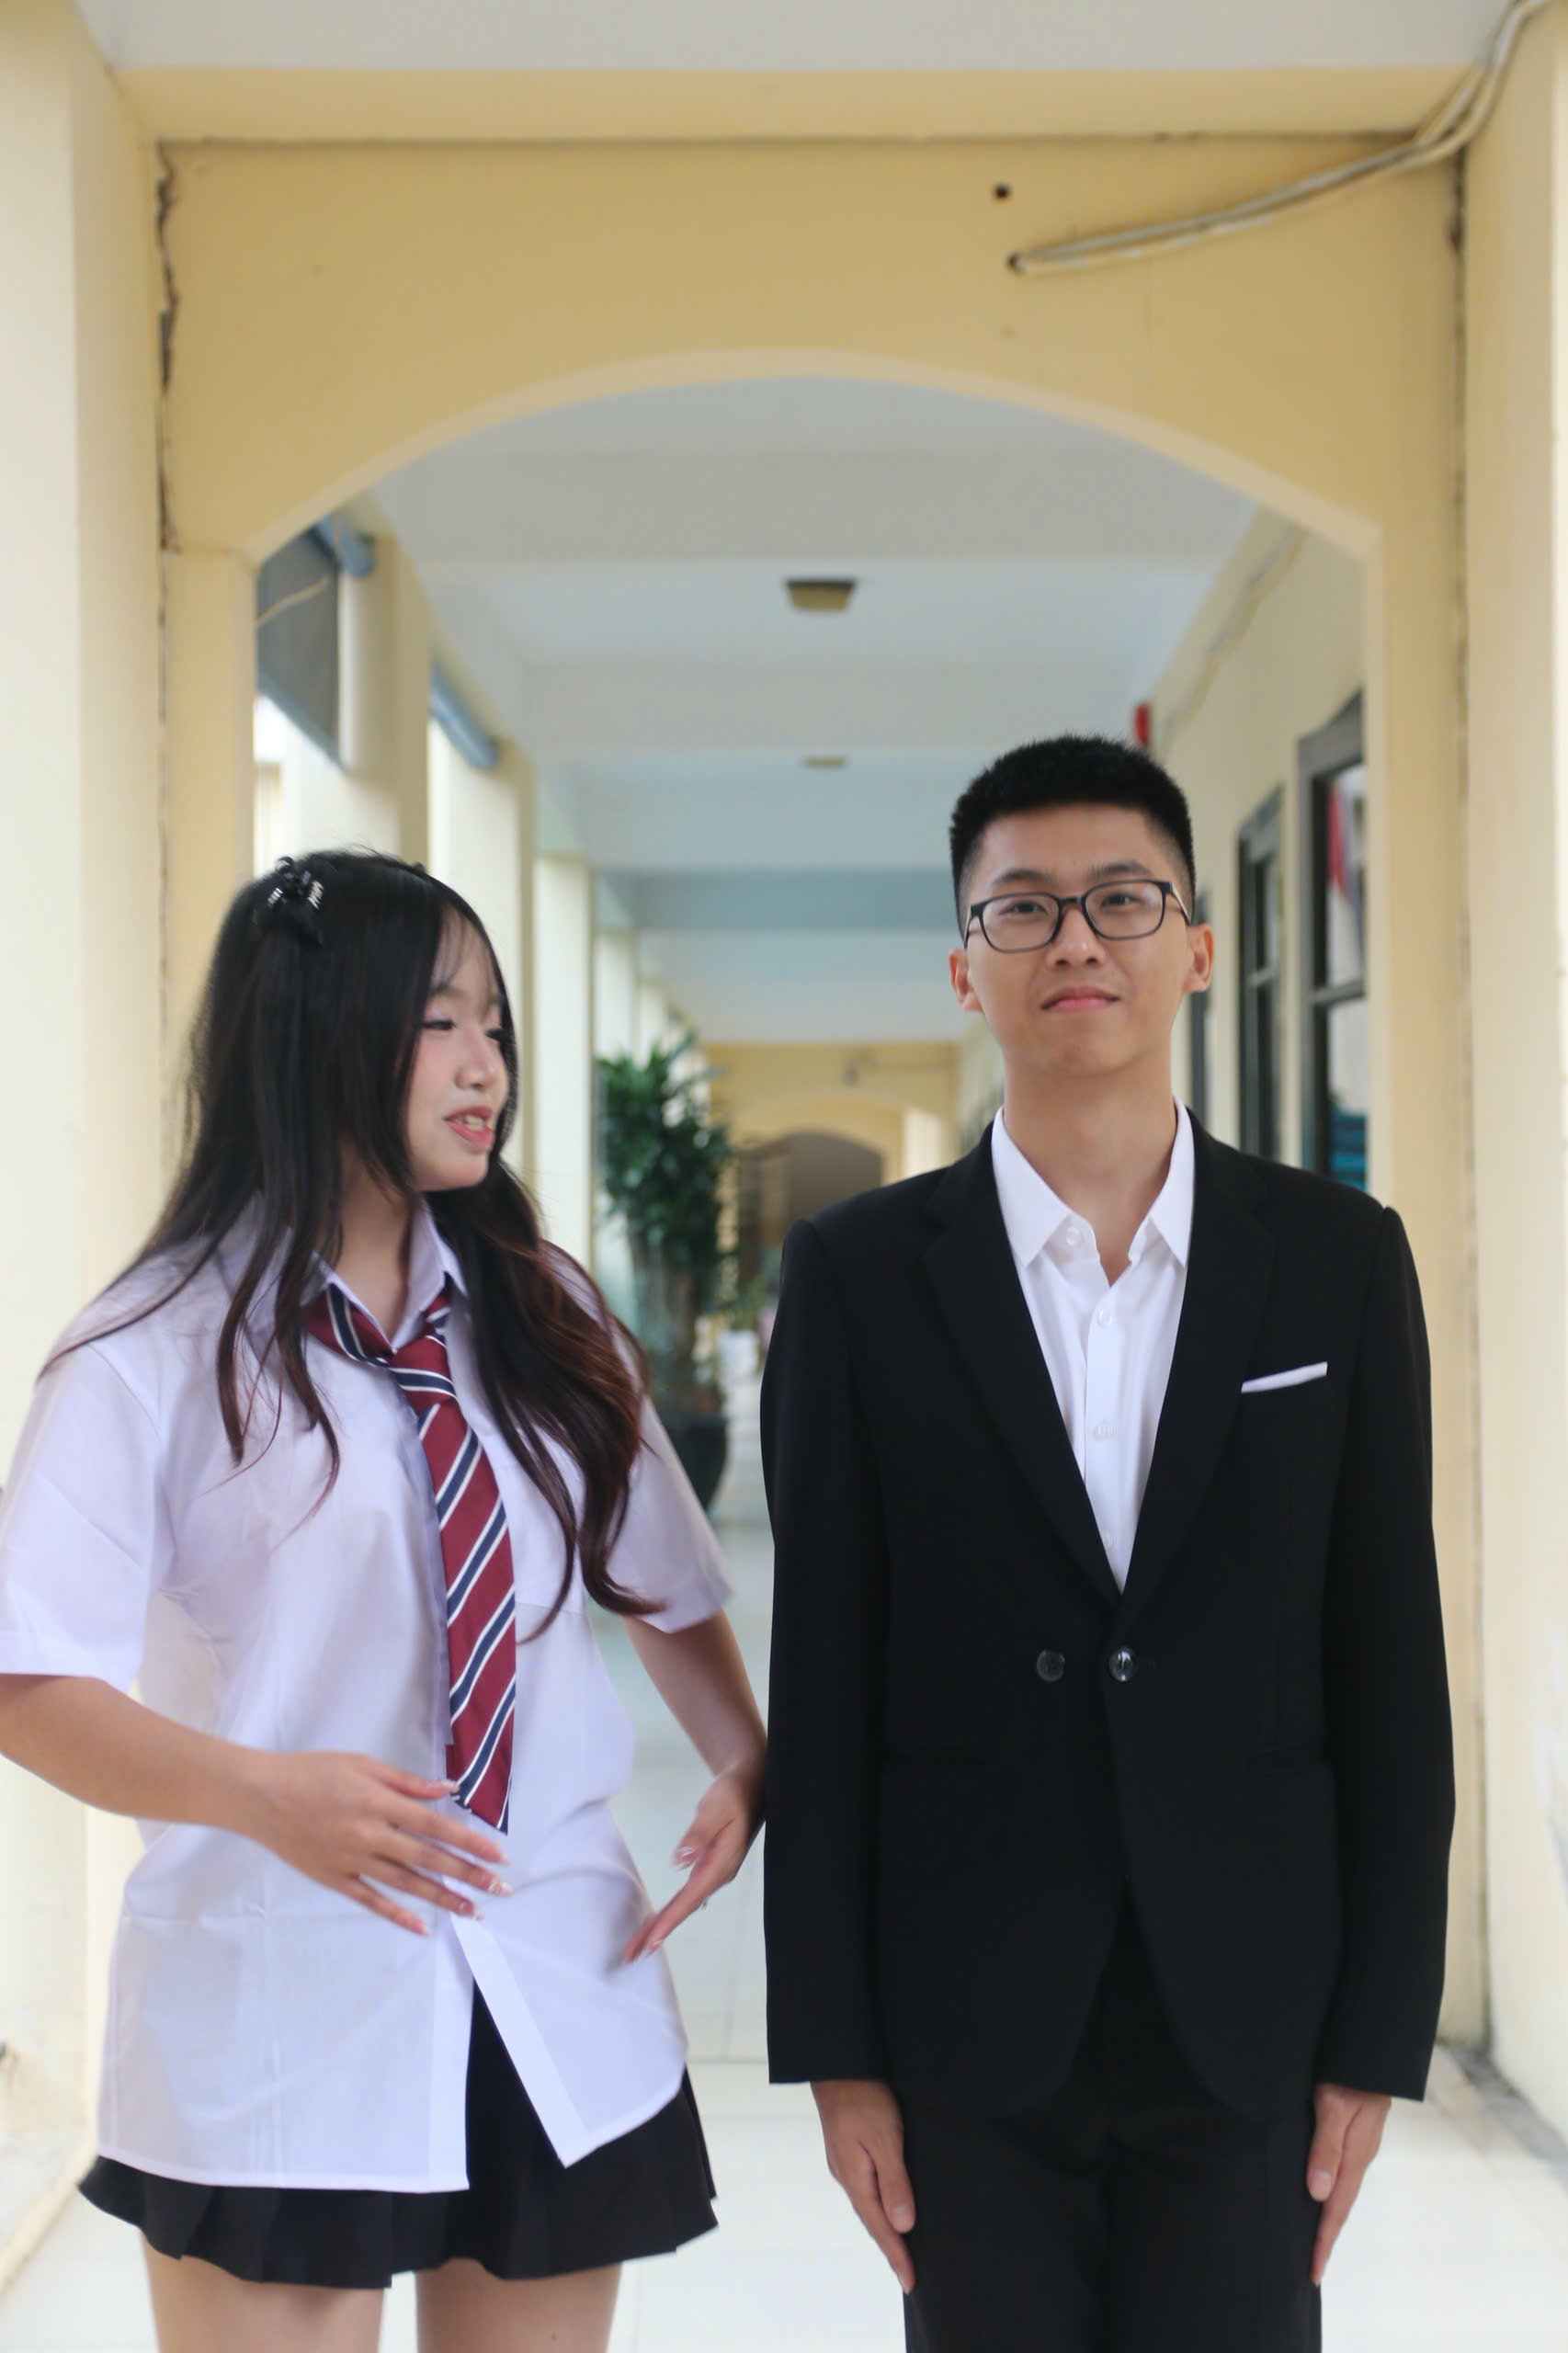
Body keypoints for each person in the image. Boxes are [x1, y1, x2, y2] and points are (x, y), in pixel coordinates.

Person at [0, 850, 766, 2353]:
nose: (488, 1069)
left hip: (552, 1973)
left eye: (497, 1027)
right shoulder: (148, 1352)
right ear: (316, 1029)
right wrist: (259, 1793)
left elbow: (661, 1577)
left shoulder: (546, 1311)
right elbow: (28, 1680)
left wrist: (744, 1758)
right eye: (441, 1023)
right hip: (287, 1982)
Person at [761, 736, 1454, 2352]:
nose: (1075, 939)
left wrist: (1376, 2035)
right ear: (965, 968)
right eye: (1022, 908)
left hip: (1251, 2007)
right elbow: (826, 1667)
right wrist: (836, 2054)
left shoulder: (1338, 1262)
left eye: (1122, 900)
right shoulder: (858, 1277)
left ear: (1196, 947)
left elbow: (1386, 1663)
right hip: (966, 2013)